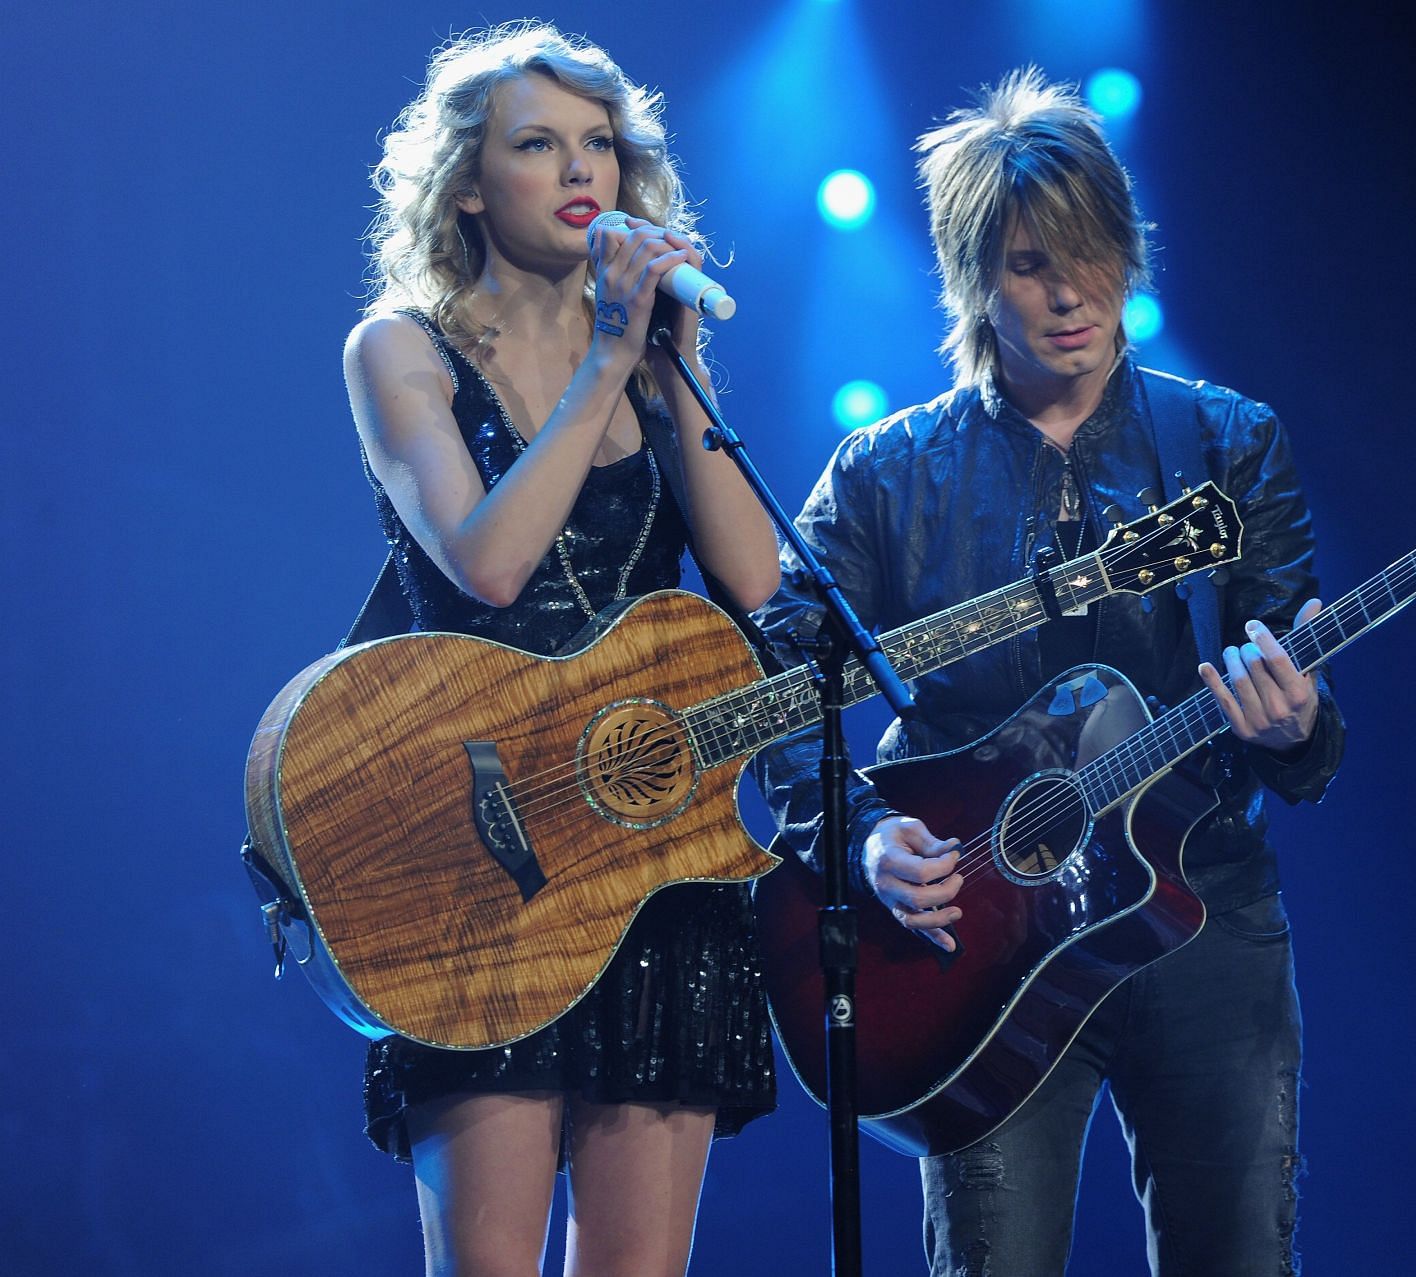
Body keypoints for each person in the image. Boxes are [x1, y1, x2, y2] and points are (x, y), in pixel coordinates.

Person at [752, 70, 1345, 1275]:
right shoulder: (880, 474)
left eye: (1091, 253)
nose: (1070, 292)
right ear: (975, 276)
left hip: (1202, 912)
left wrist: (1295, 728)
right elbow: (774, 708)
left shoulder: (1230, 442)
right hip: (975, 943)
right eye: (1028, 264)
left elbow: (1301, 720)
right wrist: (861, 834)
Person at [342, 23, 780, 1276]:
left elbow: (752, 578)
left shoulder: (647, 365)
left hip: (654, 855)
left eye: (600, 142)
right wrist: (604, 362)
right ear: (471, 184)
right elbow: (487, 563)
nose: (581, 166)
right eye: (537, 143)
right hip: (480, 860)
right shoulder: (400, 350)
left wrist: (675, 365)